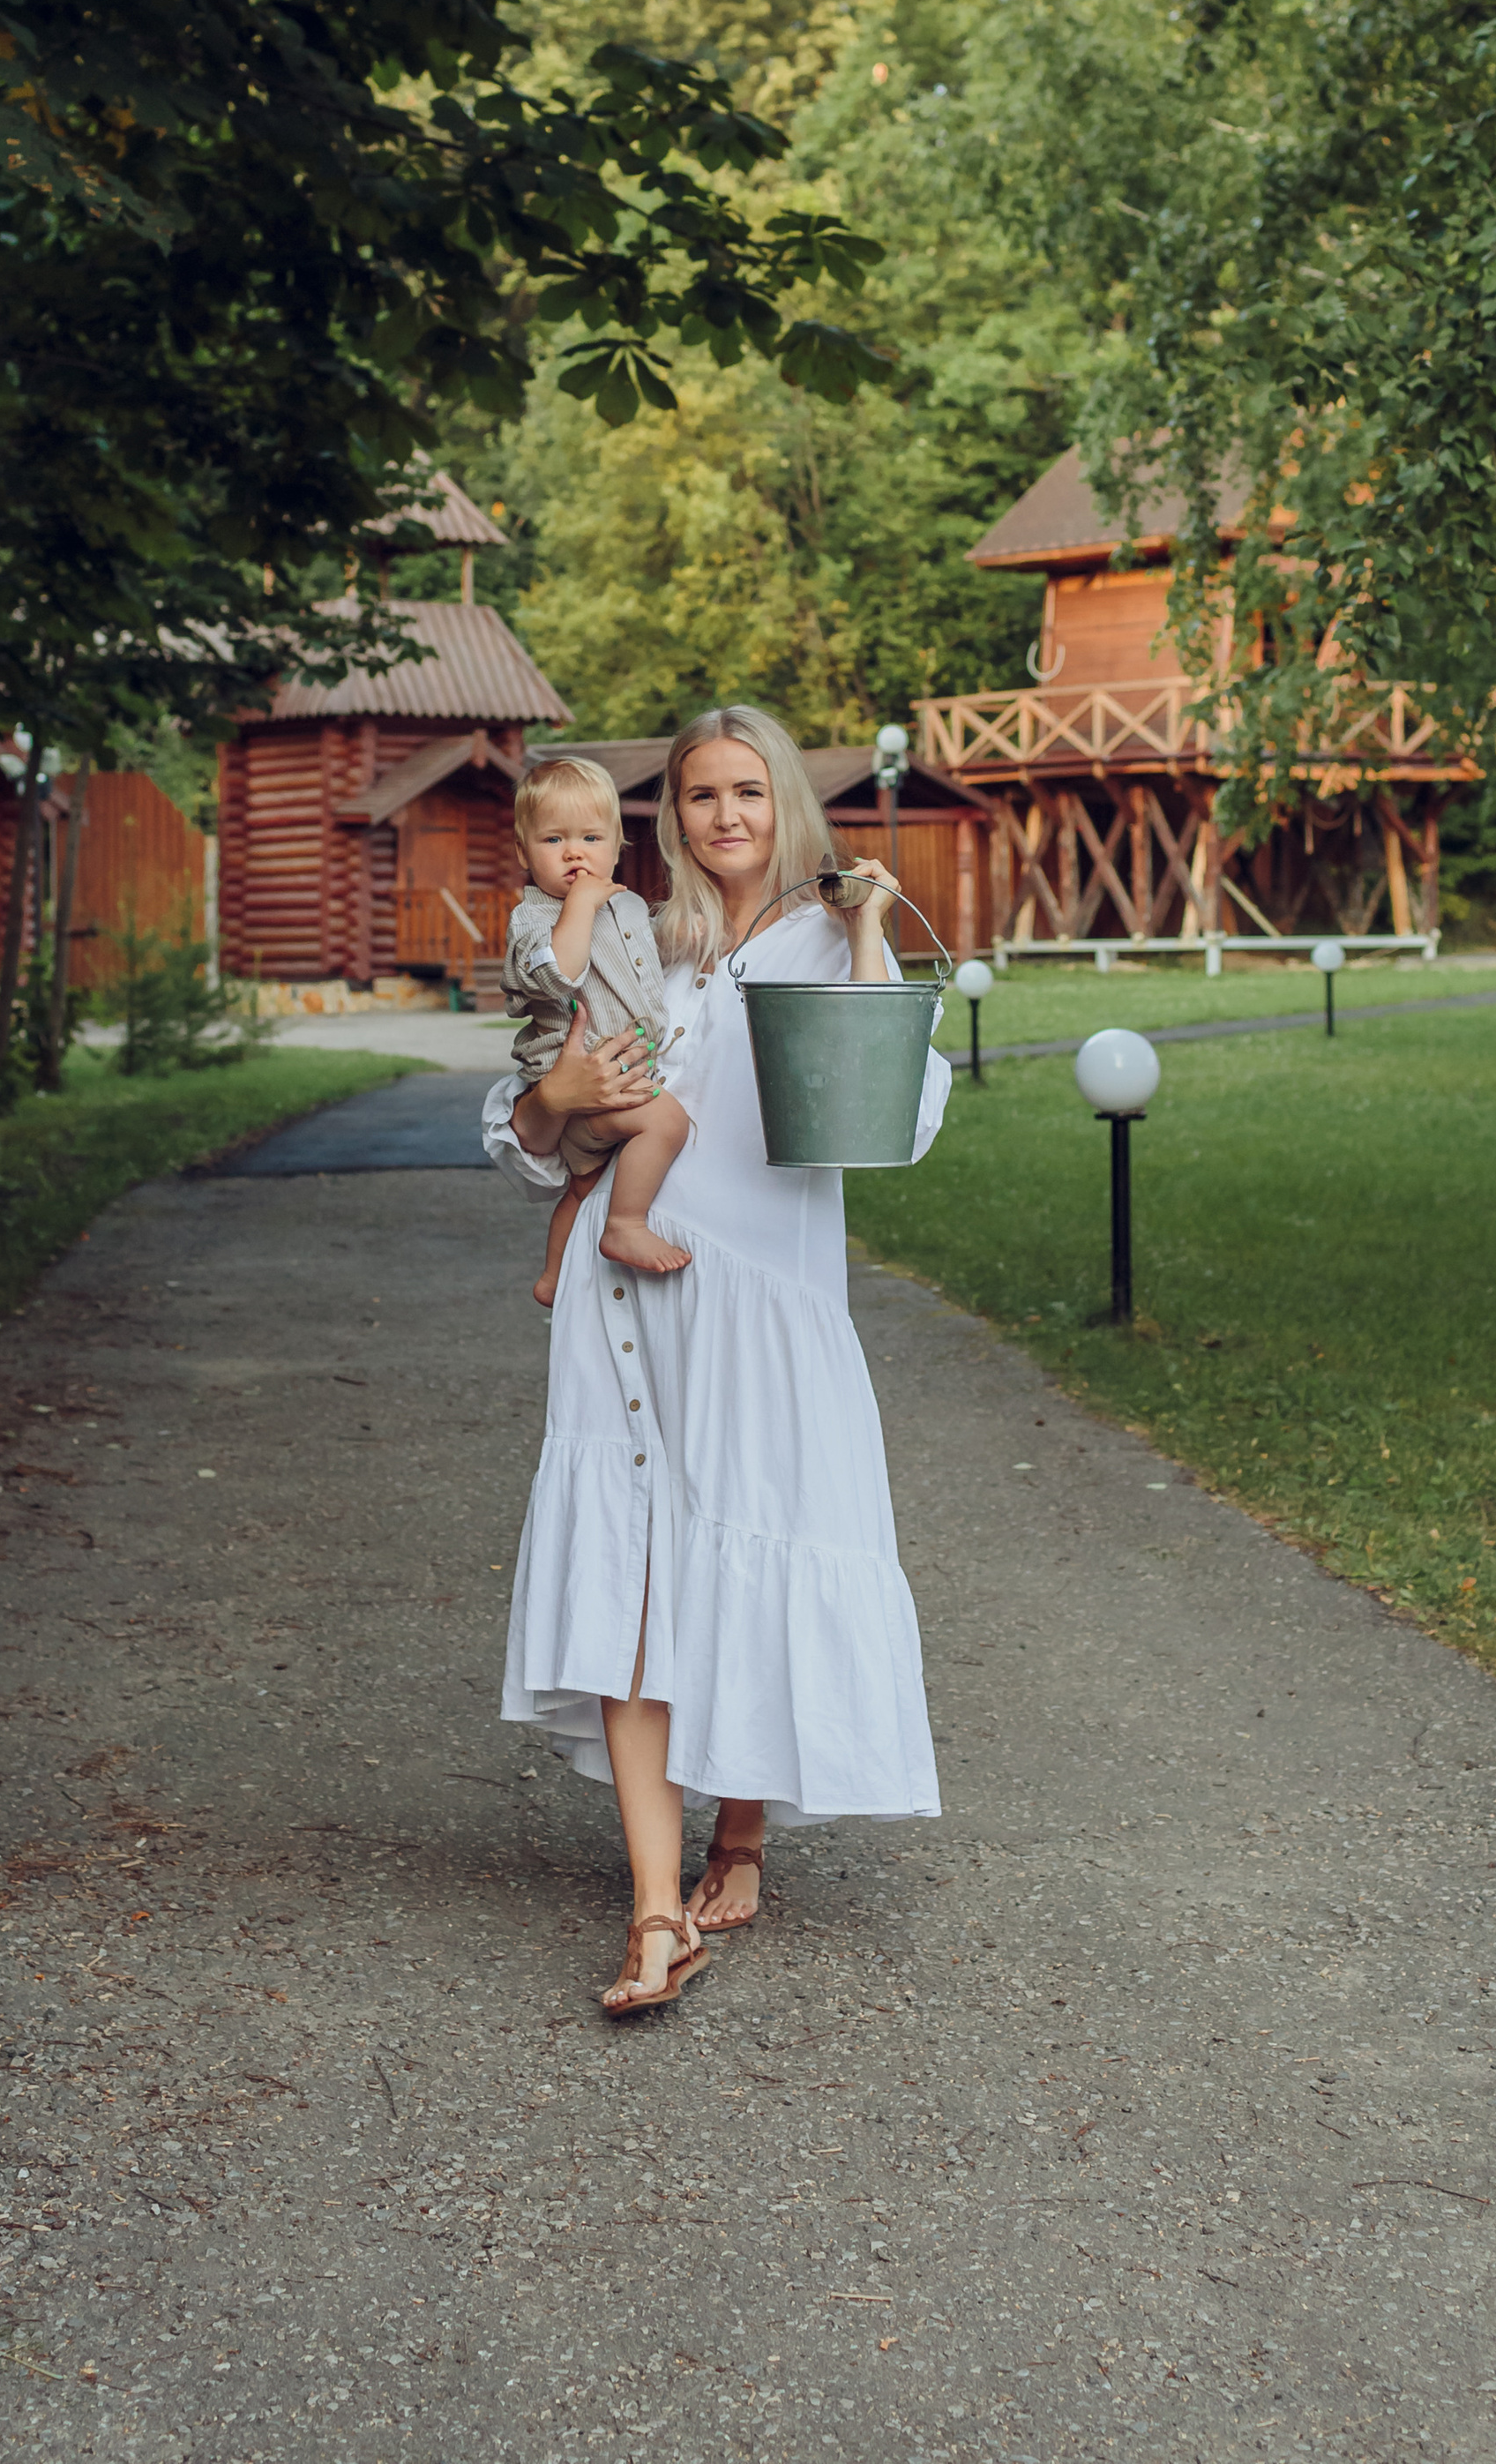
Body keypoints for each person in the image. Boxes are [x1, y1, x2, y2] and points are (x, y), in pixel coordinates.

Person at [483, 704, 949, 2017]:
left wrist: (866, 931)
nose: (725, 814)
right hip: (622, 1300)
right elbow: (526, 1135)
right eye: (700, 794)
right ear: (672, 815)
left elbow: (896, 1111)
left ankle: (738, 1832)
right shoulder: (638, 935)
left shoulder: (827, 935)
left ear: (784, 800)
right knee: (632, 1583)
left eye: (748, 790)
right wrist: (556, 1102)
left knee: (752, 1556)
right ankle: (652, 1912)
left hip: (762, 1306)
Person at [501, 755, 692, 1306]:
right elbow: (559, 973)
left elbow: (643, 959)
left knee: (585, 1186)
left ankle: (552, 1276)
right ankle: (625, 1226)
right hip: (579, 1082)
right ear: (524, 853)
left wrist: (680, 935)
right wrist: (580, 905)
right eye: (553, 839)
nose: (574, 853)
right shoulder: (534, 917)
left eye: (590, 837)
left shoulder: (626, 903)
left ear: (617, 845)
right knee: (666, 1122)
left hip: (616, 1076)